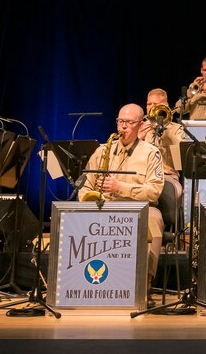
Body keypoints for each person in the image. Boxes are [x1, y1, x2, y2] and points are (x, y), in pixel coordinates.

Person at [78, 103, 164, 282]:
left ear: (141, 125)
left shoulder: (151, 153)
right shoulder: (102, 151)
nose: (123, 126)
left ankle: (144, 283)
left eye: (129, 122)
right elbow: (85, 186)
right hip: (105, 206)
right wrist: (86, 200)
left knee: (155, 220)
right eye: (120, 121)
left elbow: (154, 191)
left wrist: (120, 187)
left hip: (140, 208)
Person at [140, 88, 184, 237]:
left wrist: (165, 132)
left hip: (167, 176)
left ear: (165, 105)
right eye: (148, 104)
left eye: (155, 104)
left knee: (170, 190)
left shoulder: (176, 130)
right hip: (142, 177)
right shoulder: (140, 127)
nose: (151, 107)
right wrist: (139, 137)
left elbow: (179, 162)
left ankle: (157, 230)